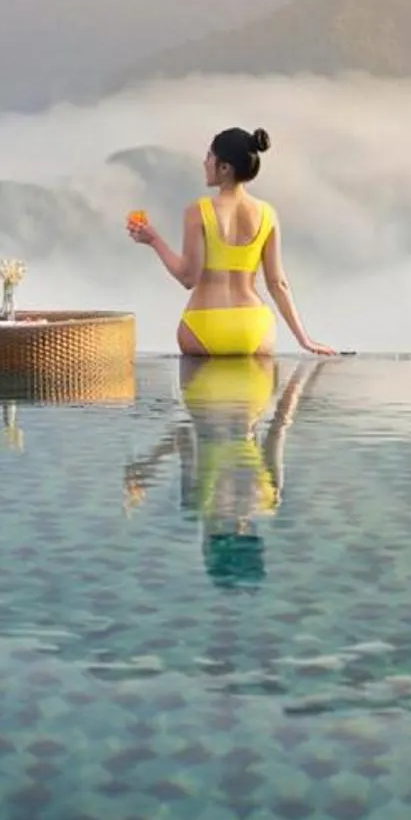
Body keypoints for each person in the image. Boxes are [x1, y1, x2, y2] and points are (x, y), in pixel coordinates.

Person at [123, 355, 333, 588]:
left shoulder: (268, 500)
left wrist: (299, 375)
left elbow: (280, 422)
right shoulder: (198, 503)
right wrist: (149, 465)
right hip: (200, 386)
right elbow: (182, 434)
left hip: (254, 385)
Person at [127, 125, 334, 357]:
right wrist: (305, 340)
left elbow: (188, 278)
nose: (205, 163)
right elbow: (278, 284)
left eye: (209, 157)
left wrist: (154, 240)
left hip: (204, 325)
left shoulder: (198, 211)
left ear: (224, 167)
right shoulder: (267, 214)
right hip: (254, 328)